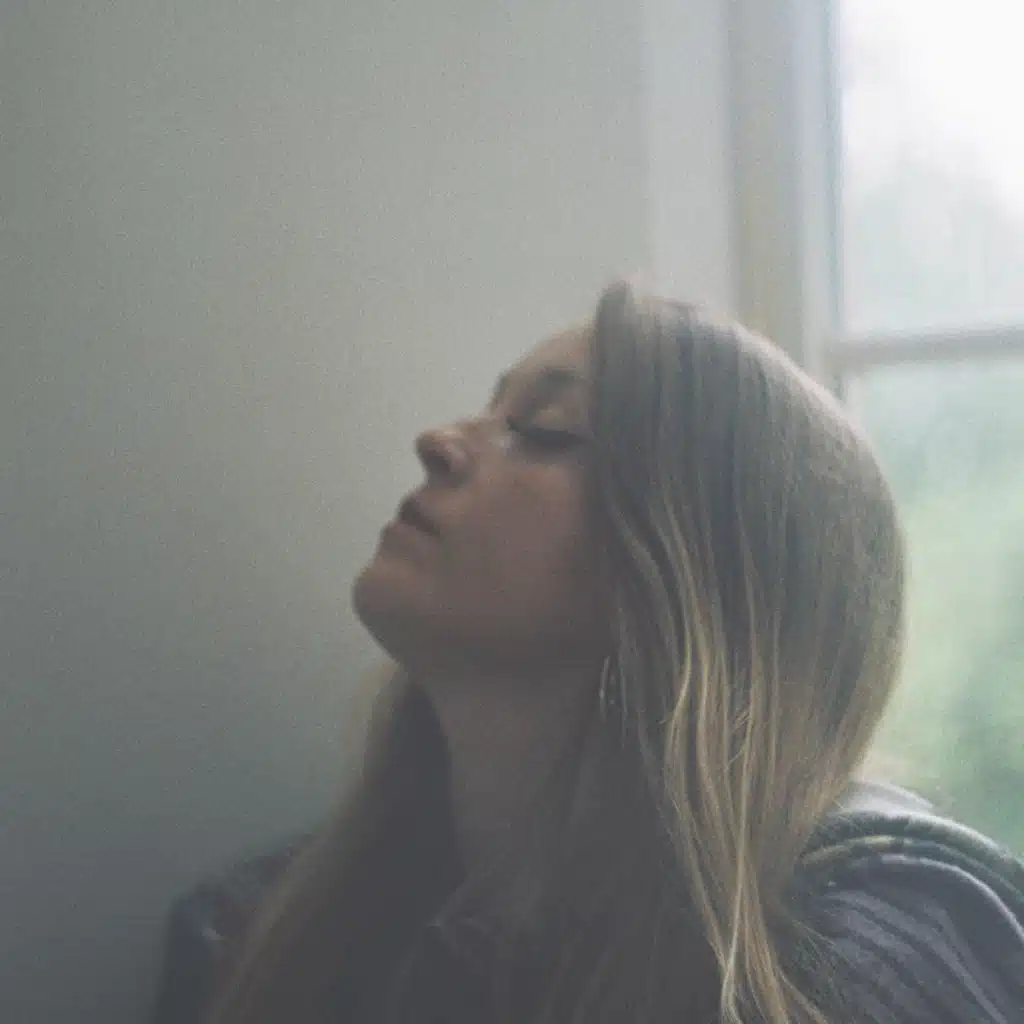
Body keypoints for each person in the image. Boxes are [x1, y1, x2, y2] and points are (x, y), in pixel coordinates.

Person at [154, 282, 1024, 1023]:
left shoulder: (869, 952)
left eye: (543, 430)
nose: (438, 441)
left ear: (691, 577)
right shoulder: (251, 937)